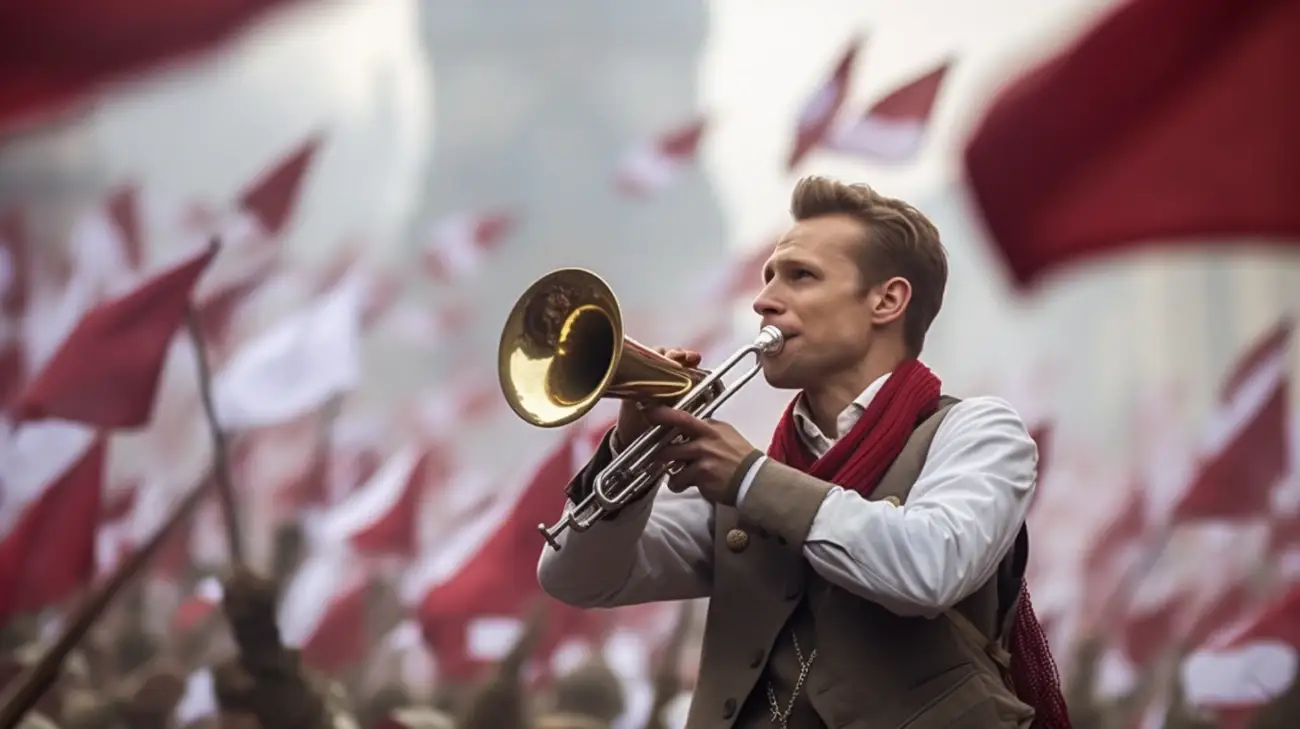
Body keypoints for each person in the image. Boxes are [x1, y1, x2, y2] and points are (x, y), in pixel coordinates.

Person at [537, 176, 1071, 729]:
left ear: (886, 300)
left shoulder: (978, 431)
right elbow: (575, 579)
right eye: (769, 277)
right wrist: (632, 451)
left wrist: (750, 478)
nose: (764, 300)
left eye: (801, 277)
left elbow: (930, 569)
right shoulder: (756, 473)